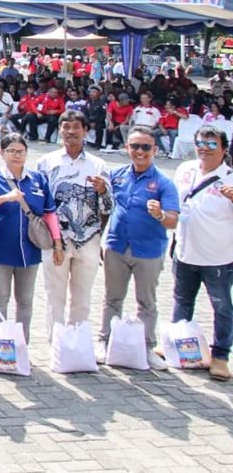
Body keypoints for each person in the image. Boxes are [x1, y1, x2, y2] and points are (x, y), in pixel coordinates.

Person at [97, 126, 179, 371]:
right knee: (112, 299)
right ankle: (105, 342)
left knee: (146, 302)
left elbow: (173, 220)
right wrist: (98, 240)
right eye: (135, 146)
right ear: (127, 148)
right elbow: (104, 208)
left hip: (149, 251)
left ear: (154, 150)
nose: (139, 151)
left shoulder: (164, 183)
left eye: (145, 147)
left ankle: (146, 347)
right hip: (117, 247)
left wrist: (159, 214)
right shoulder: (116, 175)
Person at [0, 133, 62, 344]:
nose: (17, 155)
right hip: (1, 248)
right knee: (0, 298)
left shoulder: (38, 179)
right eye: (11, 151)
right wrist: (5, 197)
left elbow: (50, 213)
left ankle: (21, 346)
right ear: (2, 153)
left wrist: (57, 243)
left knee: (25, 301)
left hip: (30, 250)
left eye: (21, 151)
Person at [36, 111, 113, 344]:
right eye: (66, 127)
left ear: (85, 130)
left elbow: (108, 207)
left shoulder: (98, 165)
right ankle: (57, 343)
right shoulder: (46, 163)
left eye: (76, 127)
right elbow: (39, 203)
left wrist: (102, 191)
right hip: (54, 240)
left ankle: (77, 343)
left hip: (88, 240)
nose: (71, 132)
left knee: (82, 296)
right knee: (54, 295)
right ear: (59, 130)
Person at [171, 125, 233, 381]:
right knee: (181, 301)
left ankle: (220, 355)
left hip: (217, 256)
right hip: (185, 250)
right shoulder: (185, 170)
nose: (204, 149)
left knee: (221, 307)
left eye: (211, 145)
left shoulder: (230, 179)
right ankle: (178, 345)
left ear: (224, 149)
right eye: (200, 143)